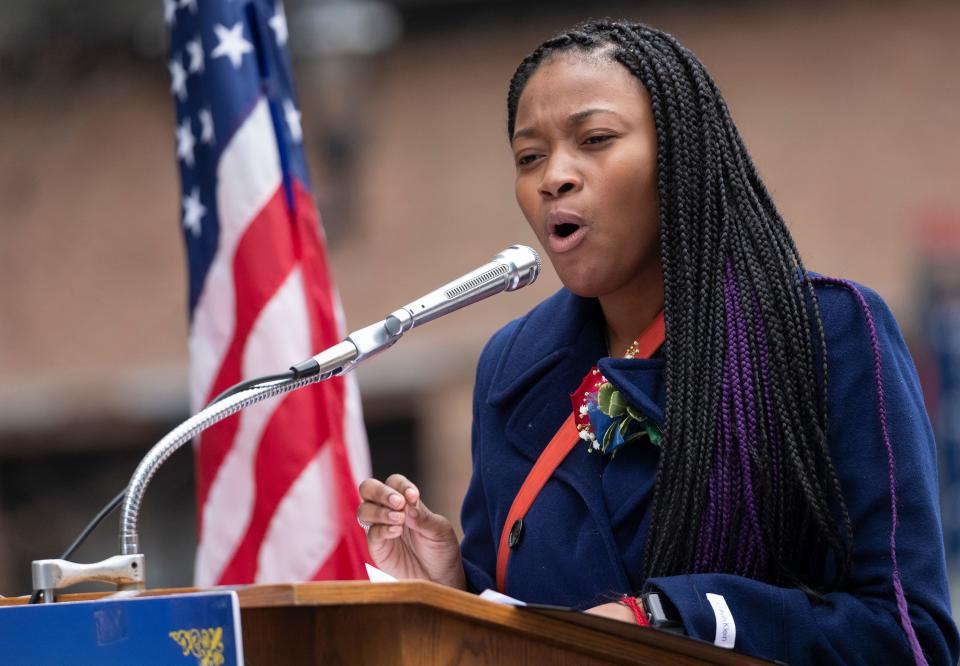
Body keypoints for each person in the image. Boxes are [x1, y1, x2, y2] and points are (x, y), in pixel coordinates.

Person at [356, 19, 959, 665]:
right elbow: (522, 624)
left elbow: (906, 637)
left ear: (681, 154)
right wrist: (453, 592)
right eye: (529, 156)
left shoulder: (827, 330)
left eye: (595, 140)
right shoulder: (514, 366)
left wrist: (677, 618)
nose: (553, 176)